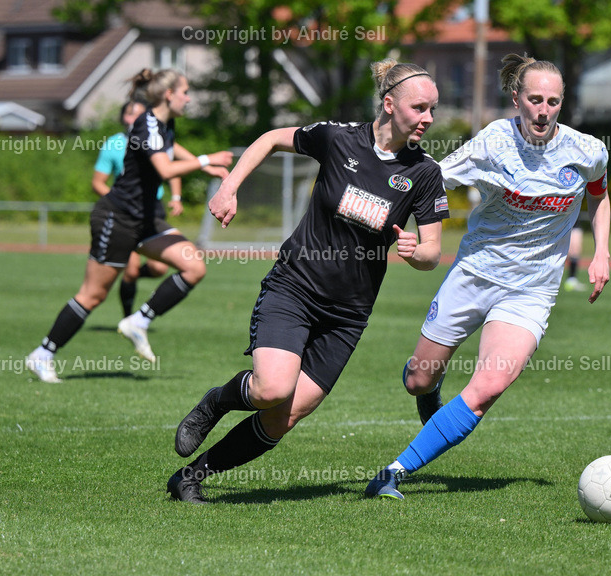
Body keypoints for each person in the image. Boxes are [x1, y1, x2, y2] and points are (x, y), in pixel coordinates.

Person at [166, 58, 449, 504]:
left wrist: (417, 252)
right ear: (390, 104)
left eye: (433, 110)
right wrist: (229, 186)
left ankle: (191, 476)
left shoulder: (425, 172)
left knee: (284, 416)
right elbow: (272, 139)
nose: (428, 119)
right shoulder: (339, 138)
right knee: (271, 389)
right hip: (294, 288)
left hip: (348, 314)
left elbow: (433, 252)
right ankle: (217, 402)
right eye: (420, 108)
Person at [364, 53, 611, 499]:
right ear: (516, 99)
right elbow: (433, 179)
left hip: (532, 290)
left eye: (553, 101)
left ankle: (392, 474)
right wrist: (387, 209)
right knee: (417, 380)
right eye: (534, 99)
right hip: (475, 274)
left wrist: (602, 252)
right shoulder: (493, 142)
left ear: (562, 103)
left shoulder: (587, 150)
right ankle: (430, 391)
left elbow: (600, 193)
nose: (543, 109)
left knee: (488, 387)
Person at [25, 68, 233, 383]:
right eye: (185, 92)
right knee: (93, 295)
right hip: (117, 217)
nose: (189, 98)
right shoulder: (146, 123)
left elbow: (171, 149)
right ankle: (43, 353)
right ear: (169, 94)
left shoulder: (165, 123)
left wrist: (207, 167)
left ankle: (139, 321)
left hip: (146, 219)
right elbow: (164, 168)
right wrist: (206, 160)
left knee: (194, 266)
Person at [91, 99, 181, 317]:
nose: (134, 118)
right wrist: (119, 201)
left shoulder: (155, 138)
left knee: (159, 268)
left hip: (154, 210)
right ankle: (129, 317)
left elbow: (172, 167)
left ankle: (127, 281)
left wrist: (177, 196)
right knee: (129, 269)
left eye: (139, 114)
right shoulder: (114, 144)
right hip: (126, 212)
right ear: (123, 118)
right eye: (130, 114)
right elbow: (97, 182)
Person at [564, 226, 584, 291]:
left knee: (575, 252)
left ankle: (571, 279)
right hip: (562, 224)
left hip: (575, 225)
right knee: (572, 252)